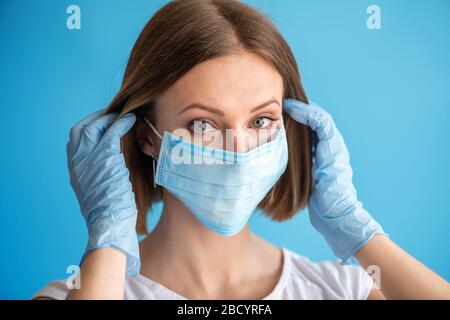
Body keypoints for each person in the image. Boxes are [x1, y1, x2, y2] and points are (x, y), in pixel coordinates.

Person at [33, 0, 449, 300]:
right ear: (146, 137)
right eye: (202, 124)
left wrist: (358, 232)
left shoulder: (347, 291)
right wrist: (108, 237)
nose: (239, 149)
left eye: (261, 120)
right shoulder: (78, 293)